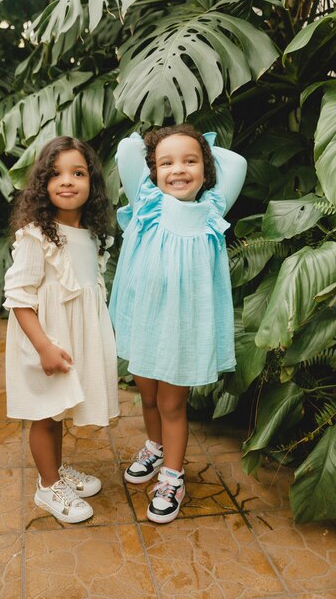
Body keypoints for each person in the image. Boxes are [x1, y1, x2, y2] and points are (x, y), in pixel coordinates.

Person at [109, 124, 247, 523]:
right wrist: (166, 148)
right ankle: (154, 447)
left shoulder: (212, 208)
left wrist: (201, 148)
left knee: (172, 405)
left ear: (207, 169)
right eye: (166, 163)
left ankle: (173, 476)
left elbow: (234, 162)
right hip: (144, 325)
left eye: (191, 161)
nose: (178, 170)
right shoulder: (146, 198)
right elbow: (126, 148)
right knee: (148, 396)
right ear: (152, 171)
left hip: (181, 332)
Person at [4, 136, 119, 524]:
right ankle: (48, 487)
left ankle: (55, 469)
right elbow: (18, 296)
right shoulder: (36, 235)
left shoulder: (93, 235)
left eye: (78, 173)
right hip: (46, 340)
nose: (67, 181)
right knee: (45, 414)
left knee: (60, 410)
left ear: (92, 183)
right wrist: (44, 347)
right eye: (55, 174)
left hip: (73, 339)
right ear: (42, 184)